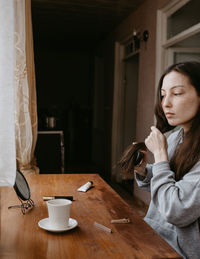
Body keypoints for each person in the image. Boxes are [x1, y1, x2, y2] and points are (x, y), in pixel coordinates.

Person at [133, 61, 200, 259]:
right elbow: (169, 181)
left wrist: (161, 154)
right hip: (153, 236)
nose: (165, 103)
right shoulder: (177, 136)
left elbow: (176, 210)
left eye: (177, 93)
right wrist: (144, 170)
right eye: (163, 95)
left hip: (179, 252)